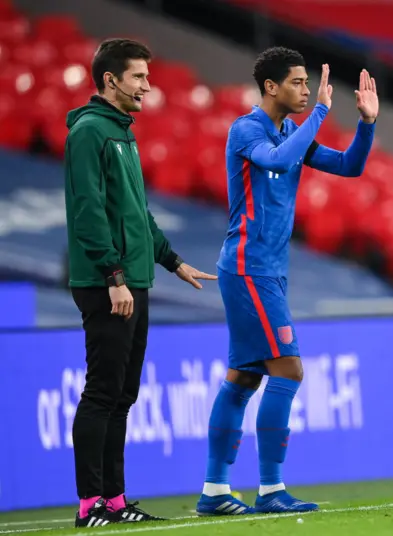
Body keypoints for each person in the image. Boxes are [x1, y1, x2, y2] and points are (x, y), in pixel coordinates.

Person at [195, 46, 378, 516]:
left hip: (268, 270)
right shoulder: (247, 129)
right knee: (289, 369)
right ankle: (271, 489)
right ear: (271, 87)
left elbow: (349, 167)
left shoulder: (289, 131)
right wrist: (319, 111)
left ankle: (214, 491)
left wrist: (367, 125)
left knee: (242, 378)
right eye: (297, 82)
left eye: (307, 82)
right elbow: (276, 161)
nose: (305, 89)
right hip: (247, 266)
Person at [64, 38, 217, 528]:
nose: (147, 86)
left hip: (135, 279)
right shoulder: (90, 132)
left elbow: (136, 212)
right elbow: (88, 211)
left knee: (123, 395)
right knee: (102, 393)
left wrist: (172, 262)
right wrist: (113, 276)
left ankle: (115, 500)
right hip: (108, 283)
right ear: (110, 80)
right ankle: (90, 505)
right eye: (138, 77)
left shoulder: (122, 133)